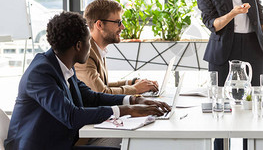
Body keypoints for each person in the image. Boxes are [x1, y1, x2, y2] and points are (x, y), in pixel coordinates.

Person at [4, 11, 170, 150]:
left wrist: (134, 100)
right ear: (78, 46)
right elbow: (71, 116)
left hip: (57, 144)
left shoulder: (63, 64)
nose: (91, 47)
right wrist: (126, 110)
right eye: (88, 42)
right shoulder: (40, 73)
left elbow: (91, 97)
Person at [75, 0, 158, 95]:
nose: (122, 27)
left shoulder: (96, 48)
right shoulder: (86, 54)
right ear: (100, 25)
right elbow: (101, 92)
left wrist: (132, 82)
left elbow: (102, 85)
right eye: (118, 22)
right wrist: (136, 89)